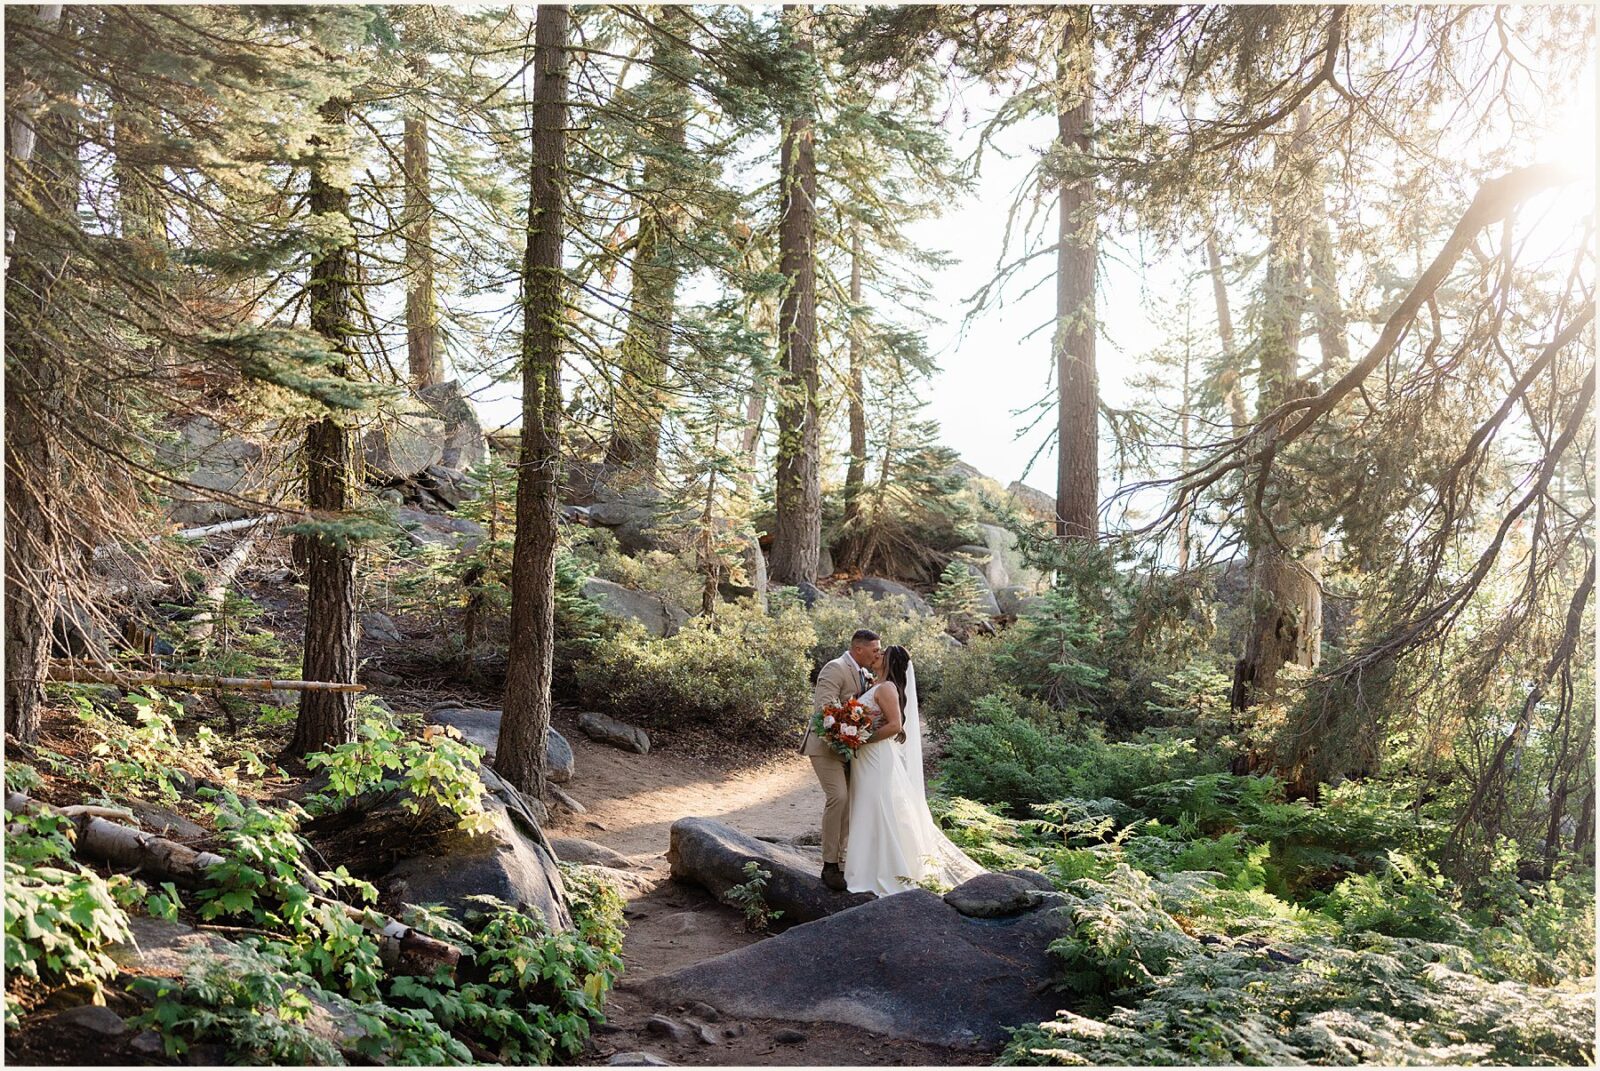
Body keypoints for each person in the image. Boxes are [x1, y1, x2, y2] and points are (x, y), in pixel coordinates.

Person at [844, 644, 984, 896]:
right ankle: (867, 867)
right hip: (866, 757)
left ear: (890, 662)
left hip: (875, 755)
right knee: (869, 808)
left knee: (876, 808)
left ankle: (882, 872)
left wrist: (862, 738)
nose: (877, 656)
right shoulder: (877, 684)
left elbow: (895, 726)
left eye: (881, 654)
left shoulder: (886, 688)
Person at [803, 628, 881, 891]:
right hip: (824, 747)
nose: (876, 654)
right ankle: (829, 865)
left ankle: (842, 860)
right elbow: (825, 709)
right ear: (858, 649)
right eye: (873, 650)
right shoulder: (834, 668)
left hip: (849, 750)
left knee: (851, 804)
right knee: (839, 798)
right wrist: (850, 728)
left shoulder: (864, 673)